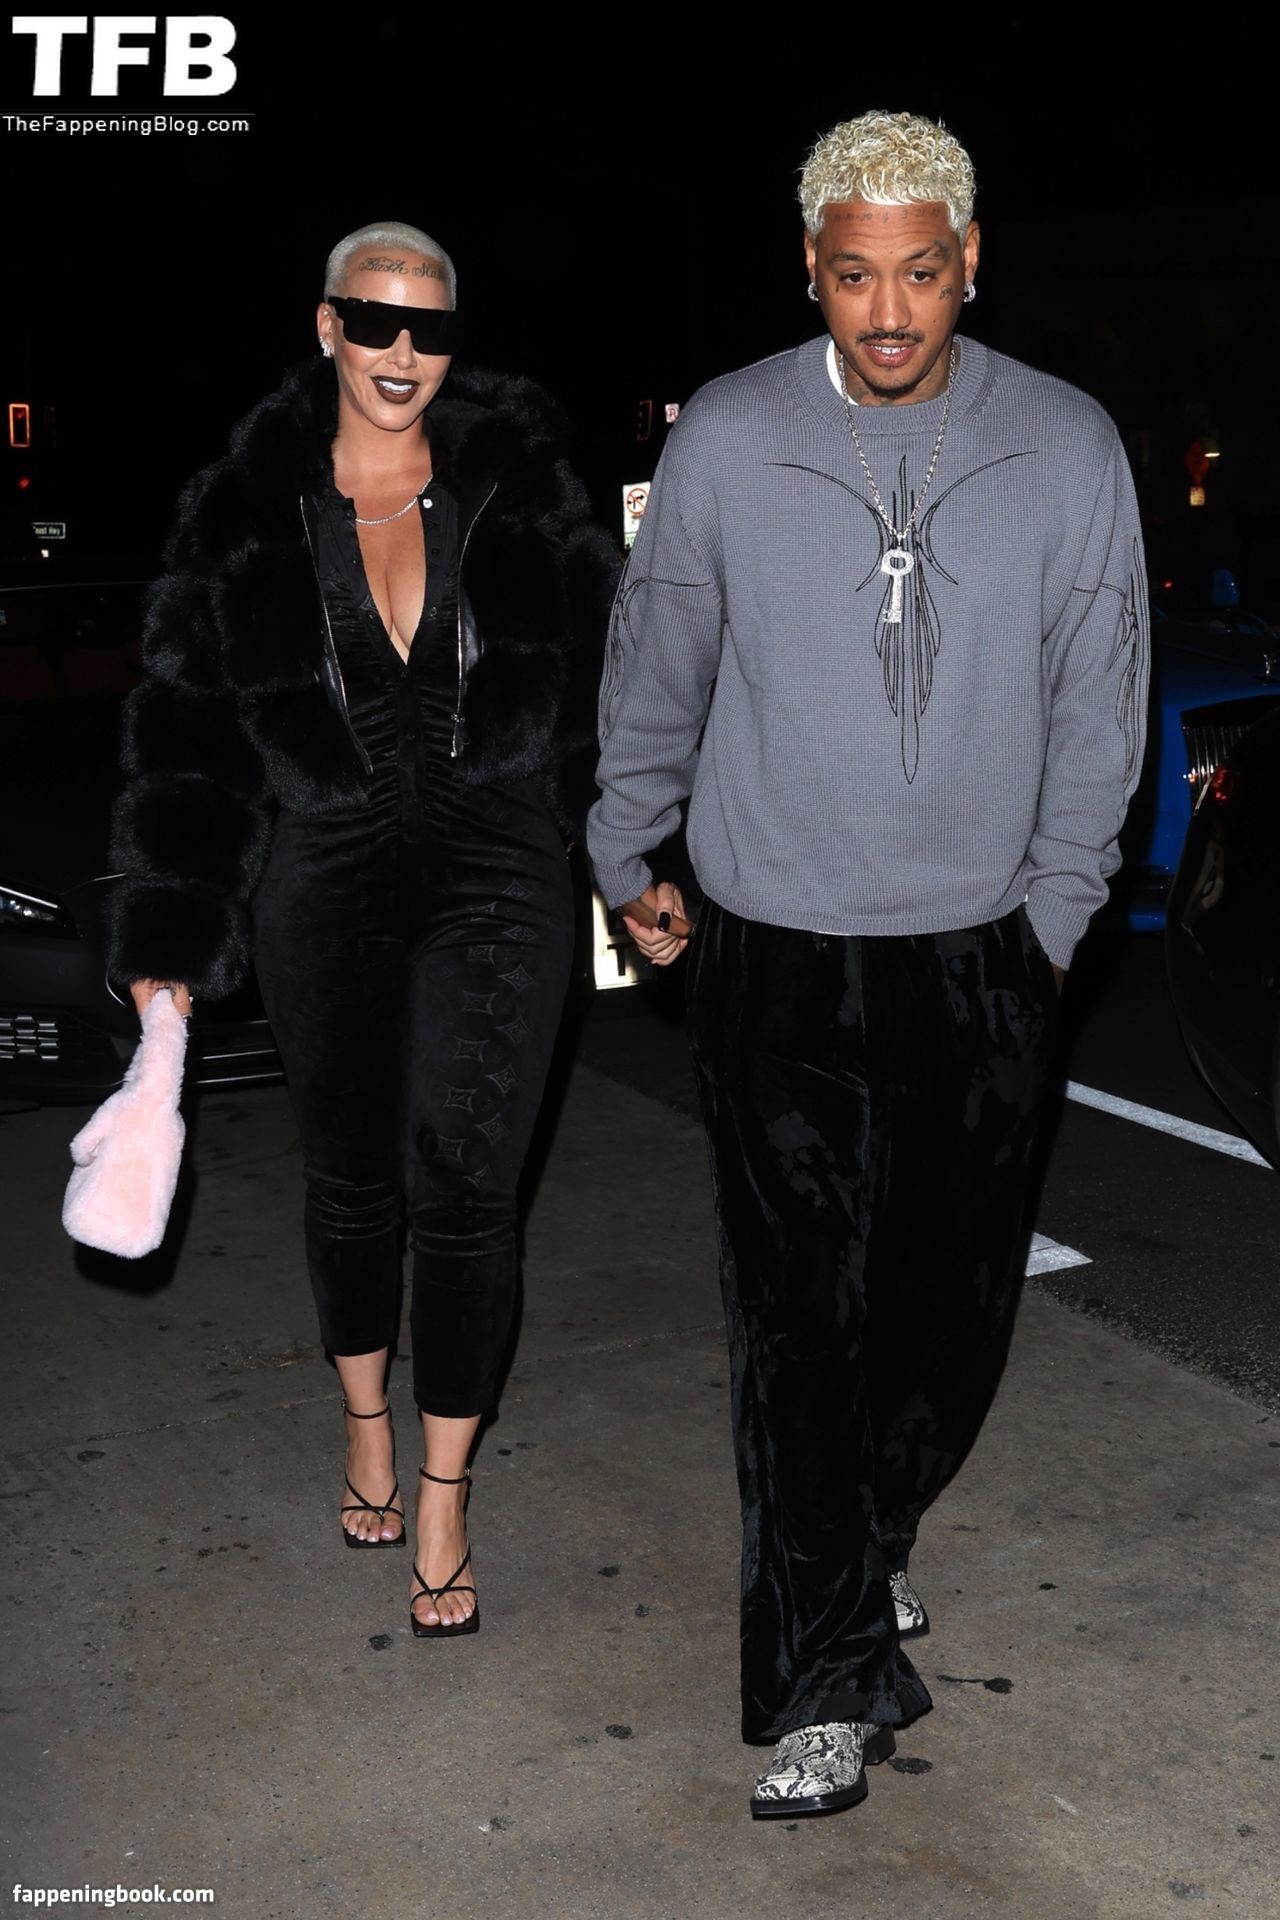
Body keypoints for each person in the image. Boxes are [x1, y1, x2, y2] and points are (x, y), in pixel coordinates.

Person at [588, 111, 1149, 1817]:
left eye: (920, 274)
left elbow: (1101, 699)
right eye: (854, 276)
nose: (889, 312)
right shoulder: (729, 434)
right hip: (777, 952)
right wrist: (627, 844)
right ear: (810, 270)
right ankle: (822, 1678)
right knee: (798, 1331)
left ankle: (872, 1531)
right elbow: (660, 648)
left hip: (984, 953)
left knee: (946, 1320)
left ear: (971, 262)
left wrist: (1051, 924)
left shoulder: (1067, 443)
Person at [109, 221, 618, 1639]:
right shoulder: (242, 510)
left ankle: (444, 1493)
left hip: (500, 869)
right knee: (350, 1182)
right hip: (319, 872)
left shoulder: (520, 485)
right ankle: (363, 1426)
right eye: (374, 321)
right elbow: (187, 735)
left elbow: (606, 691)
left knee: (469, 1188)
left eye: (430, 328)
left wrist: (638, 854)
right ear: (326, 325)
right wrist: (172, 936)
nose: (403, 352)